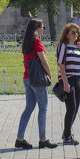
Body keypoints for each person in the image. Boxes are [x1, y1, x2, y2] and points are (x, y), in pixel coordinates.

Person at [15, 18, 58, 150]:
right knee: (43, 108)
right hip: (38, 79)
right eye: (42, 27)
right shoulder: (37, 42)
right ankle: (43, 139)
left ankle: (20, 138)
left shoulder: (26, 42)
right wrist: (50, 75)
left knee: (29, 108)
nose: (43, 30)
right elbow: (43, 61)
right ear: (37, 29)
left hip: (27, 77)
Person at [57, 22, 80, 145]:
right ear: (67, 34)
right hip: (68, 79)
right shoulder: (63, 46)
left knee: (76, 107)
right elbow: (61, 64)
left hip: (77, 78)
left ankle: (66, 132)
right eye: (73, 32)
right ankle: (67, 136)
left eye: (77, 32)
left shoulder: (79, 47)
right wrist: (65, 83)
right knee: (71, 107)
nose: (76, 34)